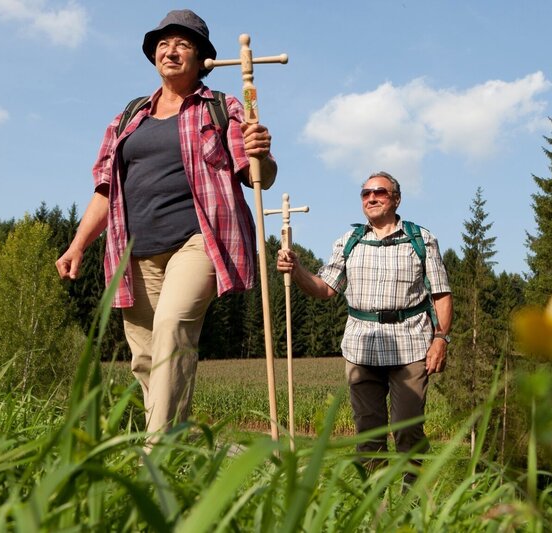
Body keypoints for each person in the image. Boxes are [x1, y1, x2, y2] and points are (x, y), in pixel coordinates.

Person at [55, 9, 276, 436]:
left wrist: (261, 153)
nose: (170, 51)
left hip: (199, 242)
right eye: (162, 44)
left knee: (172, 328)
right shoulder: (127, 118)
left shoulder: (219, 108)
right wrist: (79, 243)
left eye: (182, 44)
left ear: (202, 59)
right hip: (133, 252)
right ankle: (180, 442)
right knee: (145, 358)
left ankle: (154, 455)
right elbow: (105, 188)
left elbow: (255, 177)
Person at [276, 171, 452, 480]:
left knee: (408, 429)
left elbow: (441, 293)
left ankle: (412, 505)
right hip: (361, 347)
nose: (371, 197)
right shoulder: (349, 241)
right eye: (365, 193)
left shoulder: (420, 239)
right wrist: (297, 268)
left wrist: (441, 339)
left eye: (379, 192)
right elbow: (325, 288)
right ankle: (373, 506)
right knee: (368, 435)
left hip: (410, 344)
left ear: (396, 199)